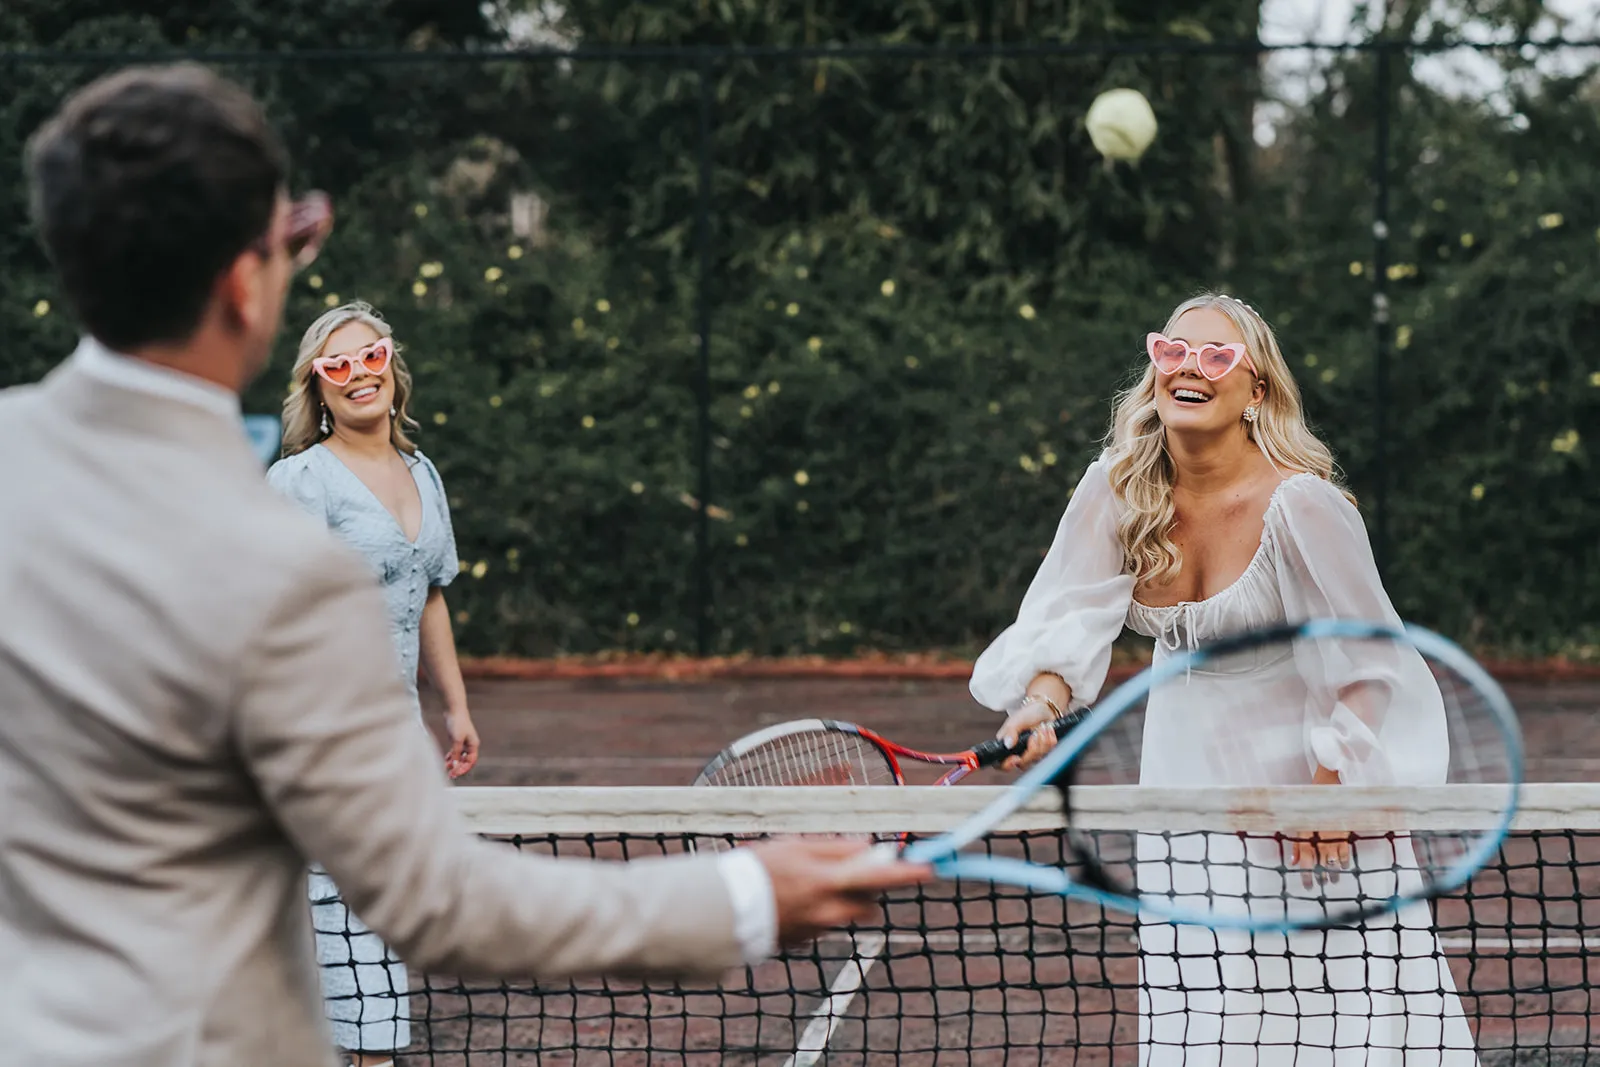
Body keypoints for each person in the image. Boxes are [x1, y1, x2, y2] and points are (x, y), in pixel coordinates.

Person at [0, 63, 928, 1067]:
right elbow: (434, 896)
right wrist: (745, 895)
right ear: (244, 282)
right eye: (288, 244)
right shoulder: (285, 564)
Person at [970, 293, 1478, 1066]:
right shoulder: (1119, 488)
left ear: (1257, 391)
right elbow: (1066, 613)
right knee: (1208, 1006)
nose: (1190, 368)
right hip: (1184, 796)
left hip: (1312, 793)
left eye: (1217, 356)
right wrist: (1039, 705)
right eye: (1173, 351)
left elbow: (1371, 661)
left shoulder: (1301, 505)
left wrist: (1332, 783)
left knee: (1344, 1017)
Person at [267, 301, 478, 1063]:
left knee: (369, 921)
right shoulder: (299, 482)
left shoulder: (423, 474)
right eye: (337, 365)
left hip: (390, 748)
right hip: (318, 745)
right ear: (316, 389)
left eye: (371, 356)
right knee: (340, 924)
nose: (359, 375)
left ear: (393, 366)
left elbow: (432, 595)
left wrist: (453, 707)